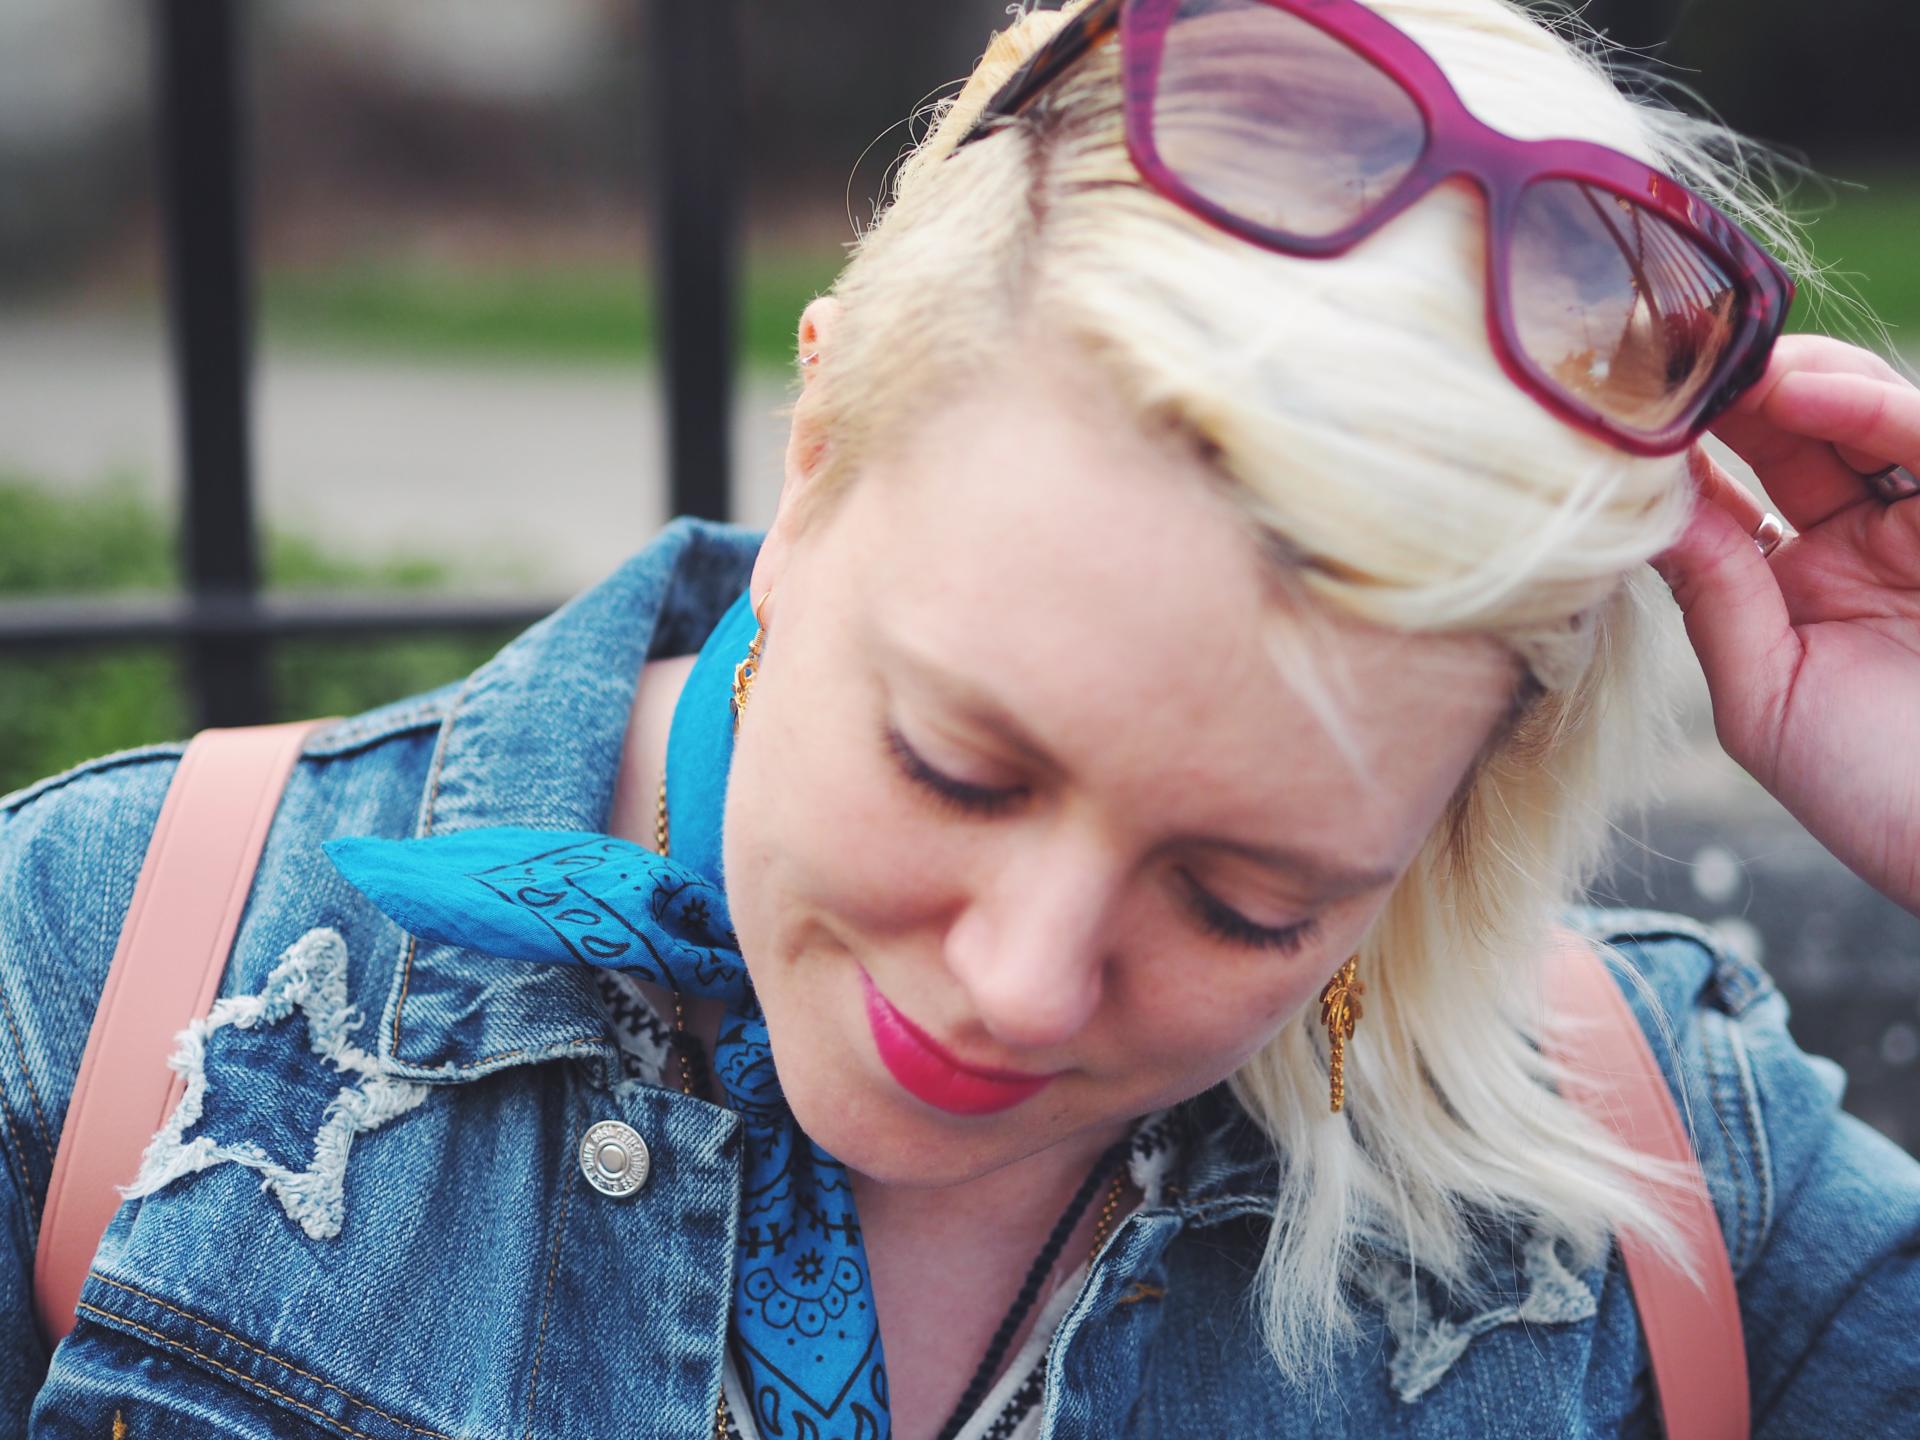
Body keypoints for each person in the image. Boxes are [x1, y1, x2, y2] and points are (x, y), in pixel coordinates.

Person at [5, 0, 1919, 1435]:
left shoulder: (1673, 1176)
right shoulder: (94, 974)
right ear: (814, 456)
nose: (1020, 980)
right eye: (957, 765)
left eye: (1250, 900)